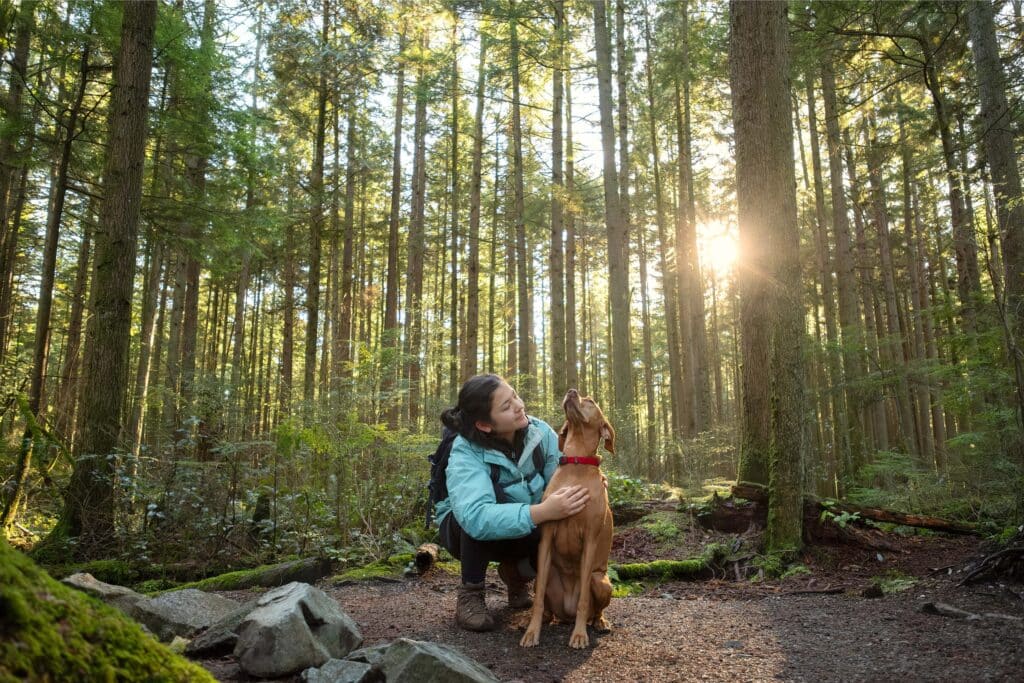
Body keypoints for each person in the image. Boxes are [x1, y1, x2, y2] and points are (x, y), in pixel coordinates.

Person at [435, 374, 591, 632]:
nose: (518, 405)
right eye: (506, 406)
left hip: (527, 521)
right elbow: (476, 517)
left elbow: (562, 480)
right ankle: (471, 594)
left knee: (563, 516)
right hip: (466, 534)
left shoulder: (540, 434)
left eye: (515, 395)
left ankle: (517, 575)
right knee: (474, 518)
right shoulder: (465, 451)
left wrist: (589, 483)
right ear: (485, 424)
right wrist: (541, 511)